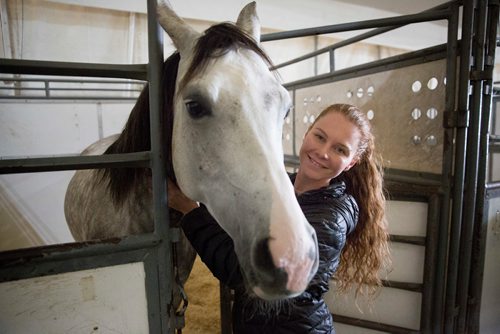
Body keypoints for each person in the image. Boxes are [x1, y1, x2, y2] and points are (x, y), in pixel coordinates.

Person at [168, 103, 391, 333]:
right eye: (320, 137)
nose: (323, 152)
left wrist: (190, 212)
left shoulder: (329, 220)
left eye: (340, 150)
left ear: (351, 162)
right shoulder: (282, 187)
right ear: (307, 134)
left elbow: (250, 276)